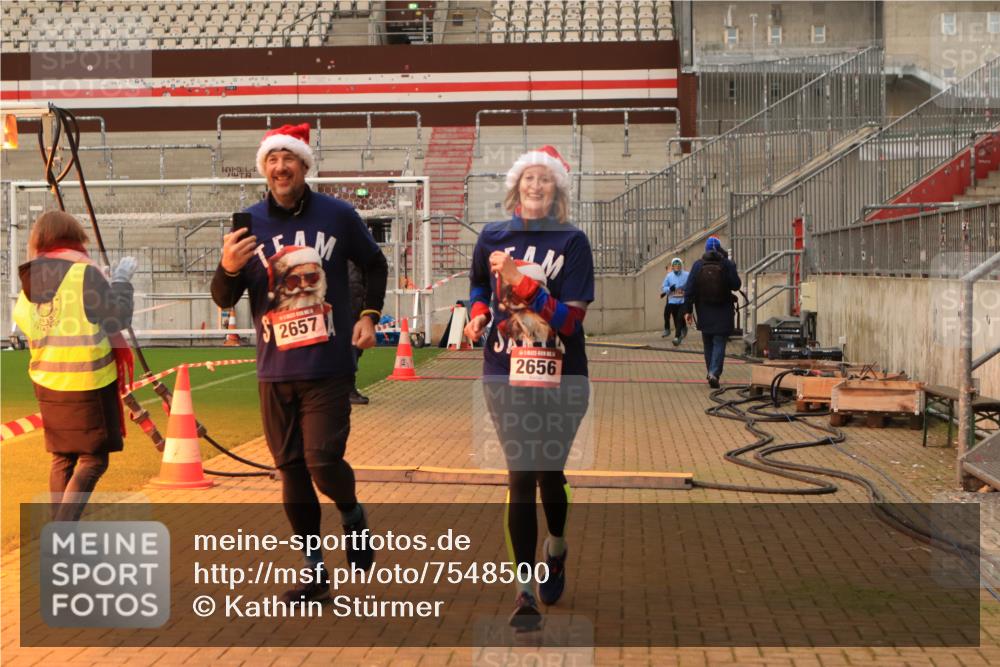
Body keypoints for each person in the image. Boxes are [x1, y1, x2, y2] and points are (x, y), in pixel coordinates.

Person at [211, 123, 388, 603]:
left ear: (304, 165)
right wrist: (227, 266)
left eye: (289, 158)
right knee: (291, 470)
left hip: (328, 365)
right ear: (264, 168)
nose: (280, 167)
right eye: (272, 159)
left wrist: (369, 317)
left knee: (323, 463)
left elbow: (375, 264)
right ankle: (314, 572)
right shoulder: (247, 224)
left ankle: (351, 513)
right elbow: (224, 298)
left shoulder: (338, 215)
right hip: (275, 370)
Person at [464, 145, 594, 631]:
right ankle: (524, 592)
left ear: (556, 189)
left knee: (548, 475)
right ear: (516, 186)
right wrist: (478, 315)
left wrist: (522, 284)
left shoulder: (572, 242)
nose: (535, 186)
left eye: (545, 180)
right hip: (505, 372)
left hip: (562, 376)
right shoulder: (493, 236)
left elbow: (570, 320)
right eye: (528, 178)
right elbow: (478, 287)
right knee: (521, 475)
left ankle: (555, 547)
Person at [12, 211, 136, 522]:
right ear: (74, 238)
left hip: (47, 382)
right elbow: (116, 317)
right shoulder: (83, 274)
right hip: (88, 381)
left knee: (62, 457)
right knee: (94, 459)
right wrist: (120, 282)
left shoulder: (29, 281)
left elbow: (25, 324)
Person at [684, 236, 741, 389]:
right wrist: (731, 266)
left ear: (706, 249)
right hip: (723, 310)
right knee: (719, 342)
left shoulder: (698, 265)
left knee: (708, 342)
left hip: (703, 310)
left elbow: (688, 290)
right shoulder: (726, 264)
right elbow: (736, 285)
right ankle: (714, 373)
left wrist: (688, 311)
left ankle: (711, 371)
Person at [347, 259, 369, 405]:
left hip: (355, 301)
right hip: (352, 304)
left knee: (354, 348)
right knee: (352, 347)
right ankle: (348, 390)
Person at [660, 257, 689, 345]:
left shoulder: (687, 275)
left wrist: (686, 289)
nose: (677, 267)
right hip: (672, 301)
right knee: (676, 319)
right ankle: (683, 328)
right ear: (672, 266)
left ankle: (677, 337)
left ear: (681, 266)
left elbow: (692, 284)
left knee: (680, 317)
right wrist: (669, 288)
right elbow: (664, 288)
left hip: (683, 301)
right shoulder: (669, 276)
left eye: (678, 265)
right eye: (675, 265)